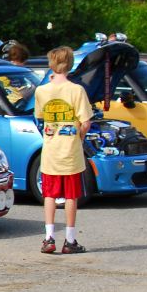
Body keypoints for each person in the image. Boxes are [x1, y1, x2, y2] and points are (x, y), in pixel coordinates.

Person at [34, 46, 93, 254]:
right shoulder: (77, 90)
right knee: (70, 196)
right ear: (70, 64)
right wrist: (80, 137)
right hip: (70, 151)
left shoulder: (41, 91)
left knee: (49, 195)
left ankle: (49, 238)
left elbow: (40, 117)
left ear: (51, 64)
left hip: (51, 150)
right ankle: (70, 240)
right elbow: (86, 122)